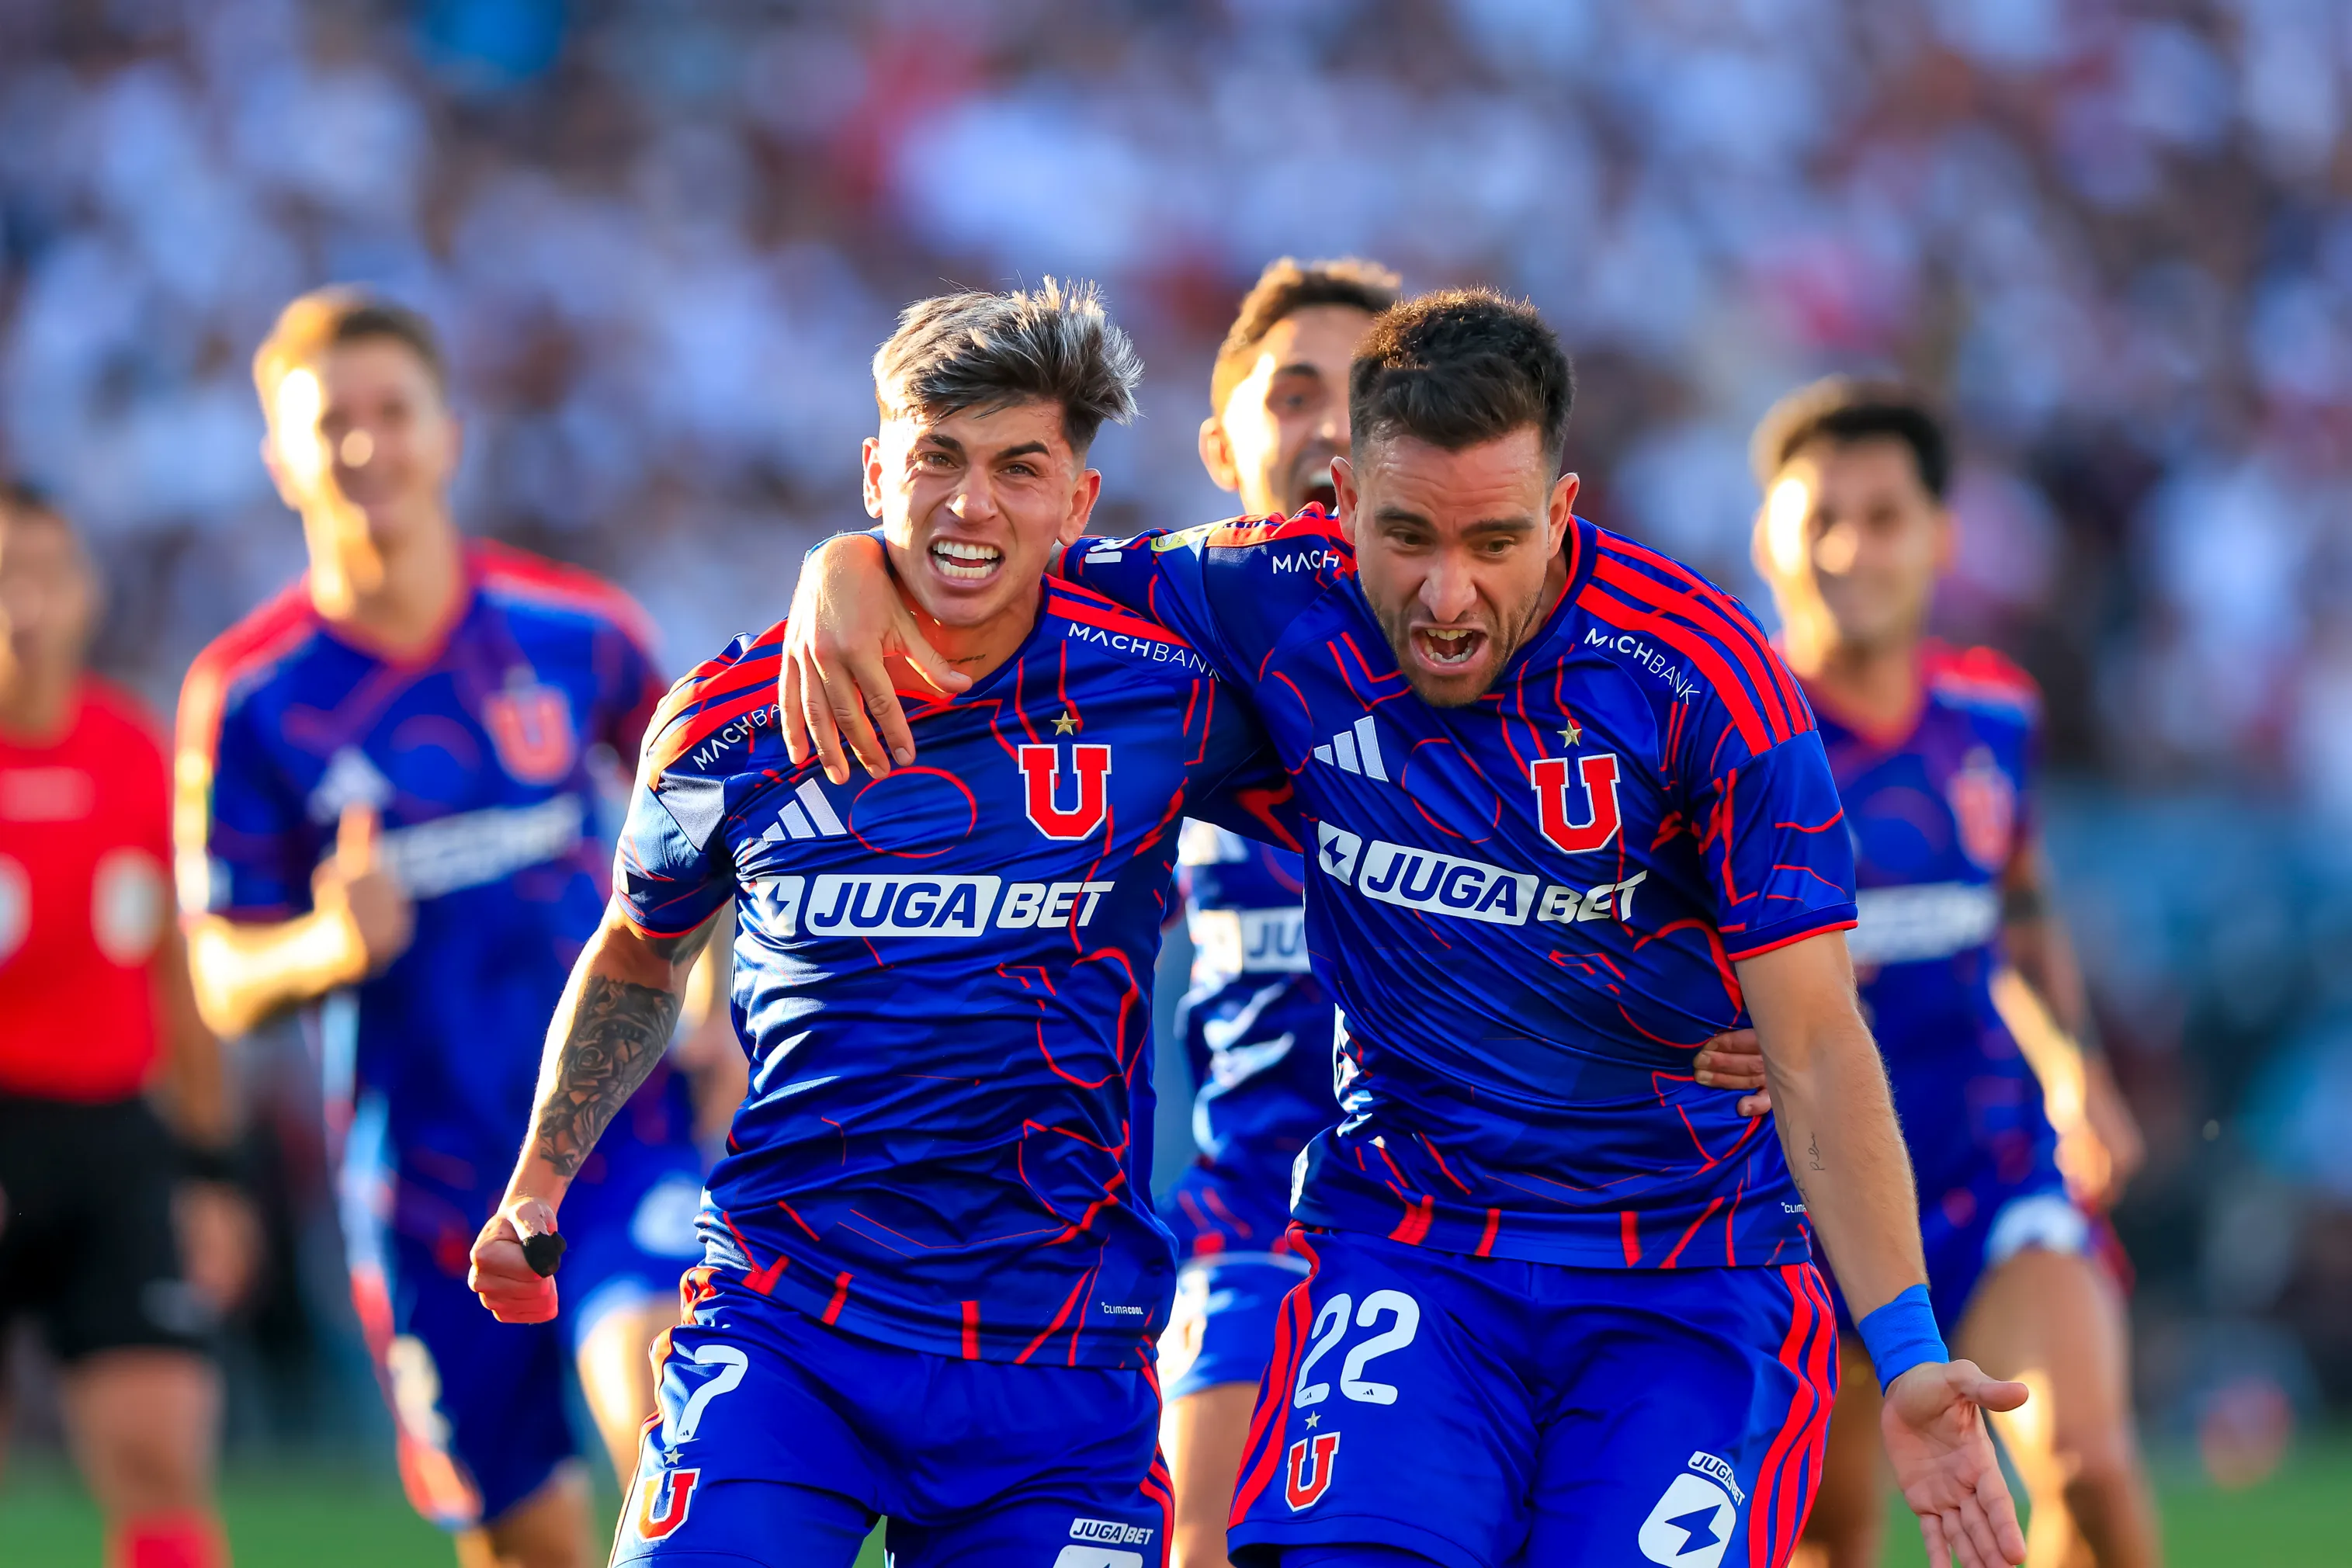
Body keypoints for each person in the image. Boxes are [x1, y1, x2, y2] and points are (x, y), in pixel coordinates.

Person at [782, 290, 2033, 1568]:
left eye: (1495, 540)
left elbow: (1816, 1041)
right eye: (1407, 536)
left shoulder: (1702, 682)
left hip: (1683, 1277)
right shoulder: (1261, 595)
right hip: (1415, 1250)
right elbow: (1007, 560)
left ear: (1561, 509)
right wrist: (847, 564)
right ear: (1338, 498)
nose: (1448, 592)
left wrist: (1910, 1355)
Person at [468, 280, 1302, 1566]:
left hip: (1059, 1362)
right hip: (790, 1325)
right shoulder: (728, 720)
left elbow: (1422, 800)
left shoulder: (1164, 691)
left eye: (1019, 468)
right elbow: (641, 945)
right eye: (937, 461)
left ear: (1077, 504)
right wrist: (538, 1181)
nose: (971, 506)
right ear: (874, 473)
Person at [176, 289, 722, 1568]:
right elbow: (219, 976)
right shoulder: (250, 698)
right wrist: (323, 943)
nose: (365, 446)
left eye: (391, 413)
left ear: (448, 432)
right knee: (525, 1542)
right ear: (280, 457)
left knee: (664, 1411)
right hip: (424, 1182)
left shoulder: (576, 634)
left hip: (612, 1123)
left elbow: (719, 823)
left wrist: (712, 1002)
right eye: (331, 423)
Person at [1740, 380, 2159, 1568]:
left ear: (1939, 536)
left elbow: (2017, 906)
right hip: (1798, 1194)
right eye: (1816, 517)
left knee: (2089, 1468)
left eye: (1881, 517)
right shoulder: (1720, 731)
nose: (1846, 549)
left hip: (1990, 1168)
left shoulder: (1992, 716)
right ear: (1764, 535)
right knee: (1832, 1528)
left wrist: (2078, 1076)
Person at [1160, 256, 1396, 1568]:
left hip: (1456, 1218)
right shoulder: (1145, 682)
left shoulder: (1495, 657)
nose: (1328, 428)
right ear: (1219, 442)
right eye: (1293, 392)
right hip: (1248, 1218)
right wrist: (848, 566)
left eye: (1367, 399)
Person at [0, 484, 257, 1568]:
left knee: (161, 1459)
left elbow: (181, 977)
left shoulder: (135, 750)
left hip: (114, 1143)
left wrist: (210, 1169)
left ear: (86, 593)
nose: (23, 602)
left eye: (45, 572)